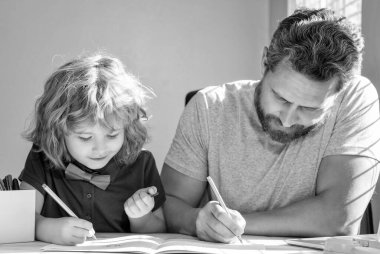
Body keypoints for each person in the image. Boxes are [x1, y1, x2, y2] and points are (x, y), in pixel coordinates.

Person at [161, 8, 380, 243]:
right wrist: (198, 221)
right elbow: (169, 205)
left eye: (310, 108)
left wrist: (238, 225)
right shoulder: (208, 106)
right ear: (265, 62)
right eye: (281, 98)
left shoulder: (355, 96)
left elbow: (339, 219)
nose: (287, 120)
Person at [19, 54, 166, 245]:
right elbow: (20, 219)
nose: (100, 148)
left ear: (128, 126)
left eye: (112, 135)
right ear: (58, 129)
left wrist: (140, 217)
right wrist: (45, 229)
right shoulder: (43, 156)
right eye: (85, 137)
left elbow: (161, 230)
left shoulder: (141, 162)